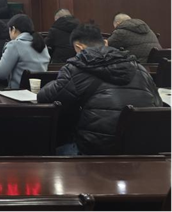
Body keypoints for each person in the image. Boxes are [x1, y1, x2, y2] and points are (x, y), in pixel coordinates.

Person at [38, 24, 162, 155]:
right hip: (140, 147)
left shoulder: (76, 69)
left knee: (49, 152)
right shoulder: (139, 68)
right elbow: (158, 104)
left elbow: (45, 98)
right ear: (105, 43)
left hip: (95, 149)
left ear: (78, 47)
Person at [0, 14, 50, 89]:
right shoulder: (42, 45)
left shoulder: (14, 45)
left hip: (17, 92)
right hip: (38, 92)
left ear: (13, 29)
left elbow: (0, 73)